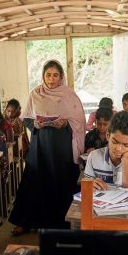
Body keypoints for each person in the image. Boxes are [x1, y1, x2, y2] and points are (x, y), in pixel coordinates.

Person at [9, 60, 85, 235]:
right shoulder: (35, 93)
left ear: (61, 76)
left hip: (62, 147)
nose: (51, 79)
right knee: (35, 180)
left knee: (62, 180)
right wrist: (36, 124)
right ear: (43, 76)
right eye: (48, 75)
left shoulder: (69, 95)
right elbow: (26, 119)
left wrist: (65, 123)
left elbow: (79, 120)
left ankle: (65, 222)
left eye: (55, 75)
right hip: (41, 146)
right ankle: (27, 221)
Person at [84, 111, 128, 195]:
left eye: (126, 145)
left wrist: (125, 160)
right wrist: (90, 185)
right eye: (114, 142)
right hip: (100, 206)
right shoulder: (93, 156)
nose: (119, 148)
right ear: (108, 136)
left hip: (126, 207)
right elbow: (85, 188)